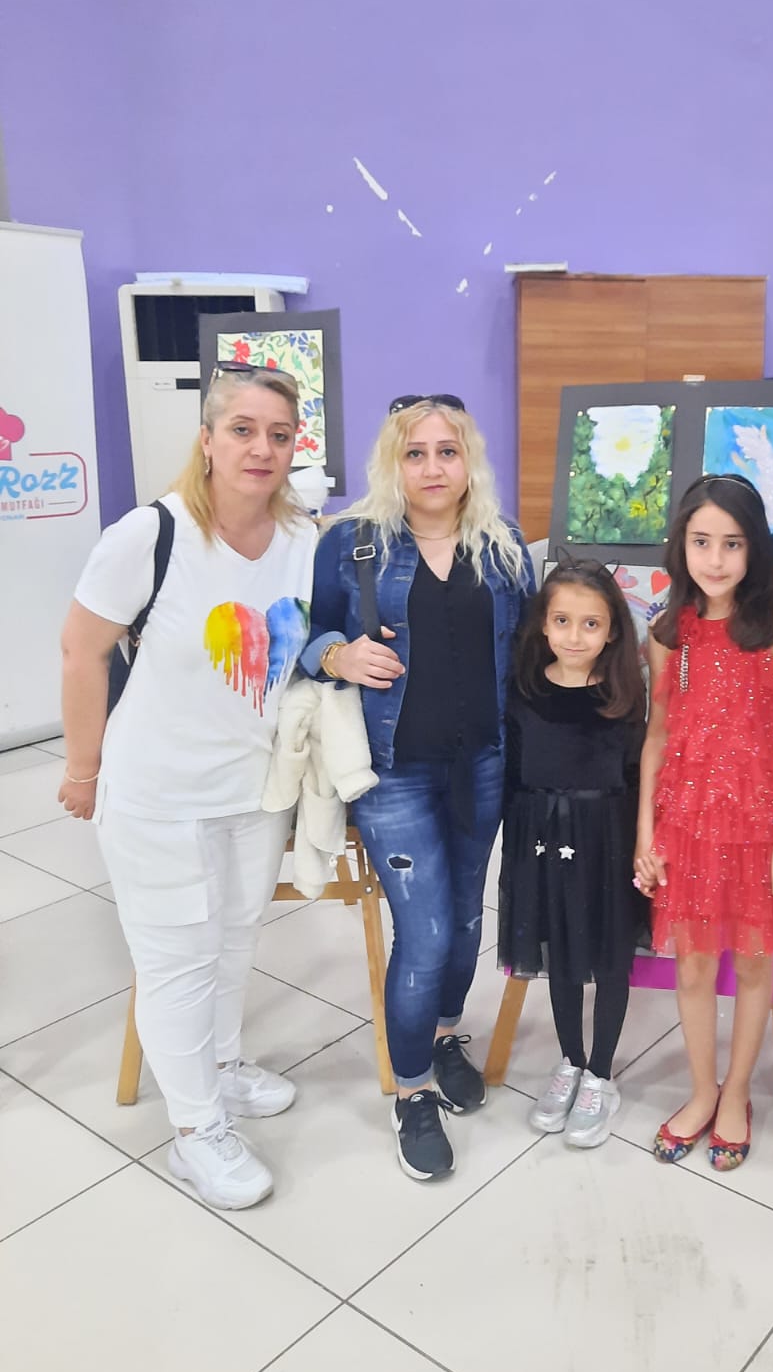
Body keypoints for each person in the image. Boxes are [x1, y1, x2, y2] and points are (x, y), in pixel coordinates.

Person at [59, 361, 317, 1210]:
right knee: (176, 961)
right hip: (157, 796)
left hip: (254, 792)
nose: (261, 448)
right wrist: (83, 770)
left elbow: (304, 651)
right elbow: (81, 652)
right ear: (207, 440)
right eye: (242, 430)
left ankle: (222, 1062)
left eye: (278, 434)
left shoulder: (302, 540)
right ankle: (195, 1131)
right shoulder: (151, 534)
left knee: (235, 940)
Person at [302, 393, 534, 1181]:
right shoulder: (351, 543)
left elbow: (529, 655)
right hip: (393, 770)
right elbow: (310, 636)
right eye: (415, 453)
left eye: (447, 451)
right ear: (392, 463)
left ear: (469, 461)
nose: (433, 468)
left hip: (483, 763)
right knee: (426, 932)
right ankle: (411, 1091)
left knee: (466, 921)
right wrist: (338, 656)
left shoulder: (503, 547)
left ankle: (440, 1036)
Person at [635, 474, 773, 1171]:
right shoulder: (668, 631)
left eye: (733, 544)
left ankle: (738, 1092)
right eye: (702, 542)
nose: (715, 559)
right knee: (691, 964)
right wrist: (646, 833)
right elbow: (656, 736)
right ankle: (701, 1090)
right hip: (686, 823)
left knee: (752, 961)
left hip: (759, 822)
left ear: (755, 549)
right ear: (681, 546)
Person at [499, 558, 646, 1148]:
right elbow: (513, 774)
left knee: (609, 959)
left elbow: (636, 777)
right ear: (543, 623)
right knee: (558, 952)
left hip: (607, 842)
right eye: (562, 620)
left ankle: (601, 1073)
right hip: (541, 841)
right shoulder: (524, 692)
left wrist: (641, 846)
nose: (575, 636)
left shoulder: (624, 696)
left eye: (591, 623)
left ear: (611, 631)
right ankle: (570, 1059)